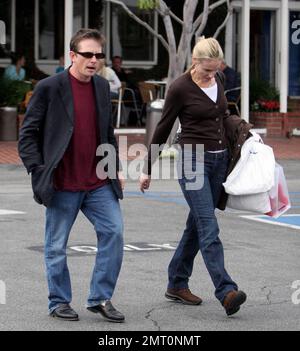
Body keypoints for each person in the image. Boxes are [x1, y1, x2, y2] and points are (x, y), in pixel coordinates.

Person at [18, 28, 125, 323]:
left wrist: (112, 166)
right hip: (62, 182)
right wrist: (38, 170)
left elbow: (107, 133)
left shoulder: (103, 87)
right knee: (56, 245)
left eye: (98, 55)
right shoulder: (49, 88)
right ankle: (59, 301)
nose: (94, 60)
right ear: (72, 56)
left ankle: (100, 297)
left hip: (98, 182)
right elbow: (27, 135)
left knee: (114, 233)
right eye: (87, 54)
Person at [139, 37, 252, 316]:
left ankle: (176, 282)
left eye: (215, 70)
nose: (211, 75)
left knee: (196, 226)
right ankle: (226, 291)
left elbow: (222, 115)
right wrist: (147, 167)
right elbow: (164, 127)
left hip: (219, 160)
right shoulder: (180, 88)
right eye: (207, 70)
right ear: (195, 62)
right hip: (192, 161)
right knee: (208, 225)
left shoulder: (220, 79)